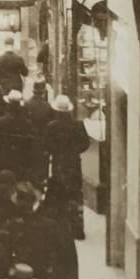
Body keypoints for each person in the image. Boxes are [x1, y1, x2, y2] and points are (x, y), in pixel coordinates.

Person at [45, 94, 90, 239]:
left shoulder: (52, 126)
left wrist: (55, 151)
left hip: (59, 163)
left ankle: (61, 226)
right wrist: (74, 150)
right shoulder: (78, 125)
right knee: (75, 194)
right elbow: (85, 144)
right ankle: (77, 228)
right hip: (74, 163)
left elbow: (46, 145)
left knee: (59, 194)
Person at [0, 89, 34, 180]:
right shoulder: (27, 123)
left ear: (8, 104)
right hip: (21, 161)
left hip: (4, 159)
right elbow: (30, 144)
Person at [23, 77, 53, 187]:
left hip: (29, 140)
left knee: (30, 164)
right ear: (44, 92)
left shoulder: (26, 104)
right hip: (42, 140)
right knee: (42, 166)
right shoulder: (48, 107)